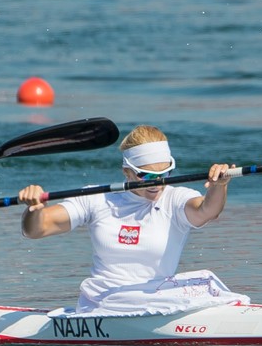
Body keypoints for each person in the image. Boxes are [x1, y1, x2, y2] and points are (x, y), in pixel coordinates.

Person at [17, 124, 248, 316]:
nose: (157, 183)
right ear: (127, 171)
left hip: (157, 303)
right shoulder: (97, 199)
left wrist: (219, 187)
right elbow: (36, 230)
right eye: (146, 175)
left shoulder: (176, 199)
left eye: (164, 174)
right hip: (102, 305)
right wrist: (34, 209)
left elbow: (208, 210)